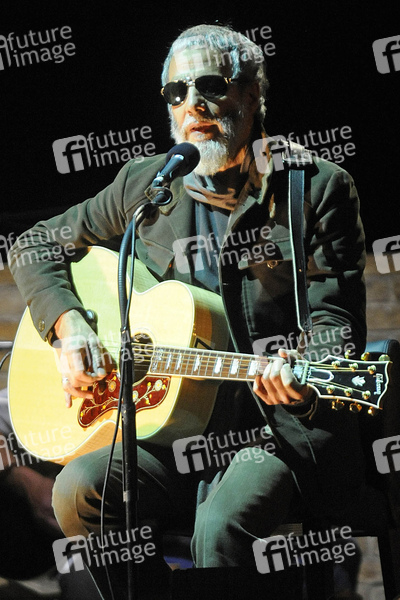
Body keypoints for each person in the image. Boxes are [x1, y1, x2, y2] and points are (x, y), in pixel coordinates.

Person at [9, 23, 384, 600]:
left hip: (270, 431)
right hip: (167, 430)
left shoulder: (315, 188)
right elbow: (35, 245)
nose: (193, 105)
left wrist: (302, 376)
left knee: (222, 526)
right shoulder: (147, 184)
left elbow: (335, 319)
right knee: (79, 492)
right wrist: (69, 325)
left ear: (252, 94)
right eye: (176, 92)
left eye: (210, 86)